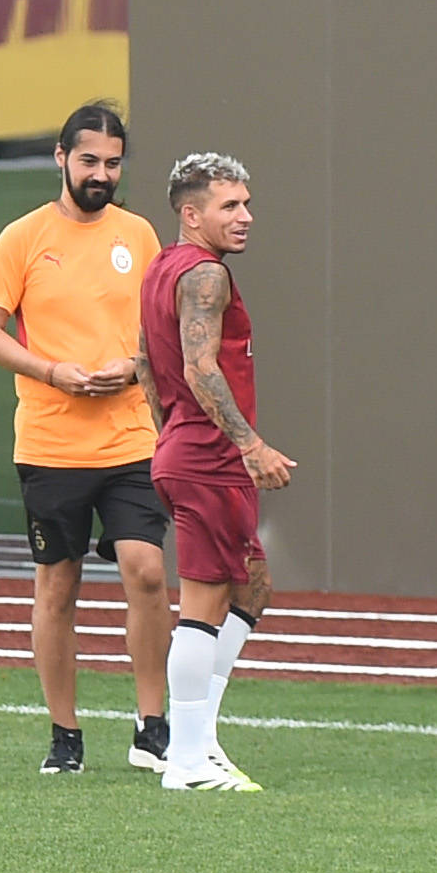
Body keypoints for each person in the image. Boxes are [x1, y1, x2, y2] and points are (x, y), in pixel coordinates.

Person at [0, 102, 173, 776]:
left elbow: (162, 330)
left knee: (147, 570)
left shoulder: (139, 235)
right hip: (51, 444)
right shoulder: (23, 237)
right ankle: (66, 734)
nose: (101, 174)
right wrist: (51, 370)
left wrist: (134, 366)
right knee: (57, 587)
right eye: (89, 161)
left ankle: (152, 725)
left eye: (113, 163)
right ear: (61, 158)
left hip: (130, 438)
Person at [138, 152, 291, 792]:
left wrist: (167, 431)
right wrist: (249, 444)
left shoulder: (163, 268)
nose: (245, 215)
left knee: (252, 586)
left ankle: (201, 741)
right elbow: (200, 367)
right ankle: (186, 761)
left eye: (246, 203)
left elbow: (144, 361)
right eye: (230, 205)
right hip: (209, 458)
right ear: (191, 213)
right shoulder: (205, 275)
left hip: (189, 449)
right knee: (202, 607)